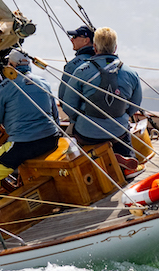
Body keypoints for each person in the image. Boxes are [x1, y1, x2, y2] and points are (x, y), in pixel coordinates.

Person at [0, 49, 62, 200]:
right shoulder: (44, 83)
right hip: (51, 139)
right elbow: (56, 117)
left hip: (24, 145)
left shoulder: (4, 88)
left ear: (10, 67)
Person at [61, 27, 143, 175]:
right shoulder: (131, 73)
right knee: (122, 133)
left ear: (94, 47)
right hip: (118, 130)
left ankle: (92, 162)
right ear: (115, 48)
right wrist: (121, 115)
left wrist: (78, 118)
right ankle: (127, 164)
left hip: (88, 132)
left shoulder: (80, 71)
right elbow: (134, 105)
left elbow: (68, 104)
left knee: (73, 137)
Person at [58, 25, 95, 105]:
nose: (71, 39)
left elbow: (62, 97)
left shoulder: (72, 66)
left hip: (82, 115)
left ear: (86, 40)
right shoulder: (105, 62)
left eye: (75, 37)